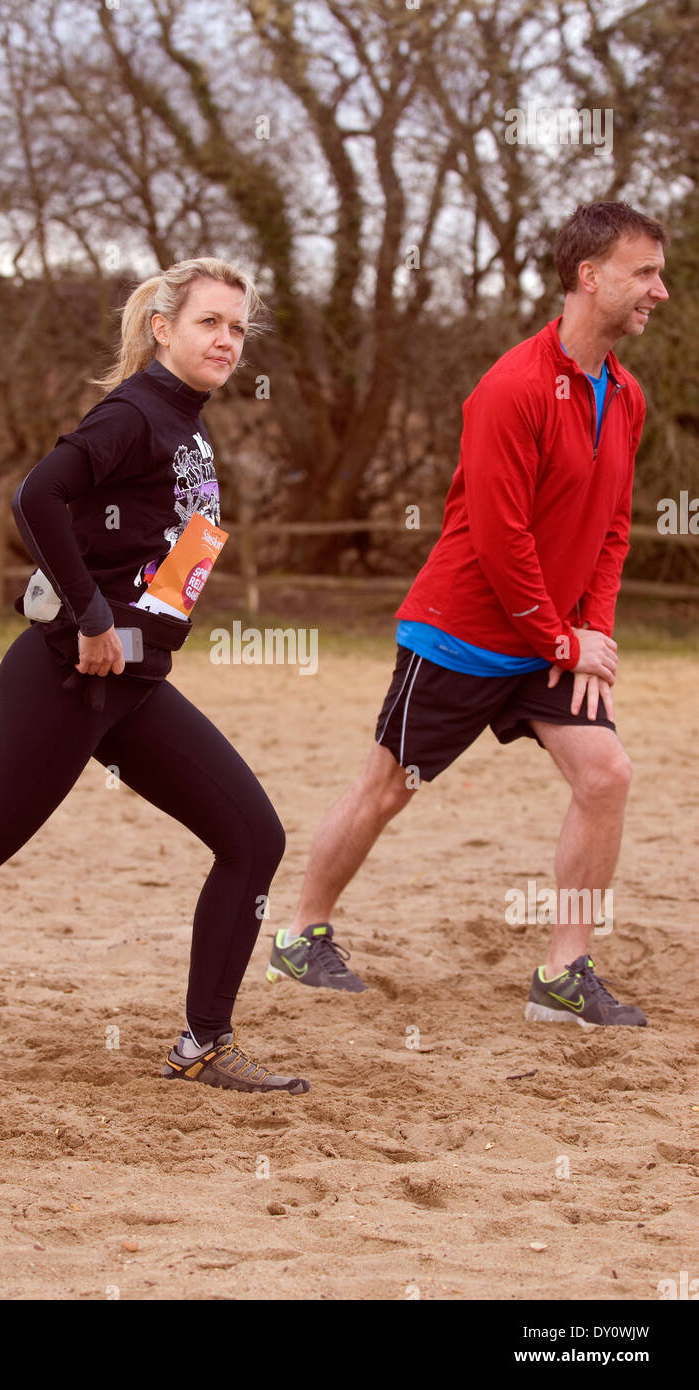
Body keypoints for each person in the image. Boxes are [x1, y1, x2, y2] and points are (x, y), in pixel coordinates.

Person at [0, 256, 309, 1094]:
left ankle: (204, 1041)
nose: (228, 339)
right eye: (209, 323)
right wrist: (89, 616)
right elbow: (35, 497)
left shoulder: (188, 425)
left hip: (133, 687)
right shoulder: (132, 413)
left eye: (238, 327)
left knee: (252, 837)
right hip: (67, 680)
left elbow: (170, 548)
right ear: (164, 330)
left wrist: (140, 628)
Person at [269, 202, 668, 1028]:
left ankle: (563, 974)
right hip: (462, 634)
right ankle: (300, 936)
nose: (659, 291)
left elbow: (612, 526)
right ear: (589, 277)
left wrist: (589, 631)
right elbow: (498, 536)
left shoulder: (625, 395)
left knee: (607, 774)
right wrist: (559, 634)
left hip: (551, 643)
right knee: (388, 788)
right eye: (645, 273)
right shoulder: (511, 388)